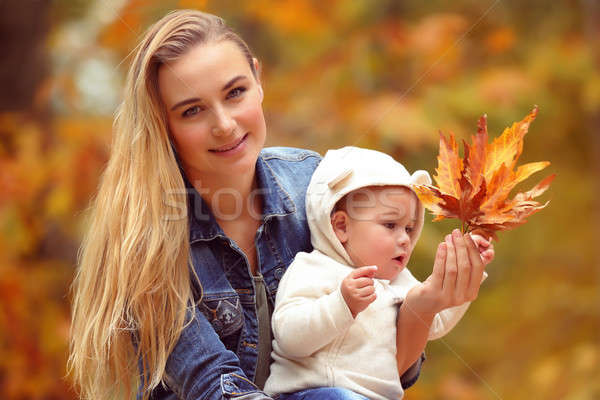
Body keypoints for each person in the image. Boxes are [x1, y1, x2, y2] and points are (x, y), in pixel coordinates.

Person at [67, 9, 490, 400]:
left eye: (235, 92)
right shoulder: (148, 240)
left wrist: (427, 302)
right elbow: (212, 384)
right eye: (193, 110)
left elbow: (380, 369)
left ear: (258, 78)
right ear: (165, 124)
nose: (225, 124)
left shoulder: (316, 187)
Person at [264, 147, 494, 400]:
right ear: (341, 227)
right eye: (390, 225)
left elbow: (435, 323)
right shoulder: (315, 268)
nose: (405, 239)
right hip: (315, 394)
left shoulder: (399, 281)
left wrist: (464, 274)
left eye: (409, 228)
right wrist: (342, 304)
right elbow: (289, 338)